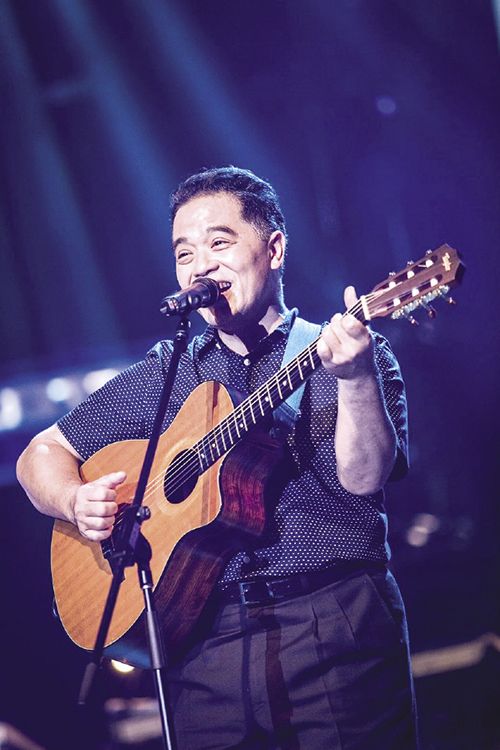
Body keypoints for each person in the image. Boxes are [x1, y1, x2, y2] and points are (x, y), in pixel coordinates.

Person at [17, 166, 418, 749]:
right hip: (199, 644)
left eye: (219, 243)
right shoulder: (170, 369)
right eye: (184, 253)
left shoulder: (351, 353)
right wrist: (75, 499)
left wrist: (354, 377)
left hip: (333, 625)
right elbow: (41, 452)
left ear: (274, 249)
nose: (199, 266)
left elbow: (366, 479)